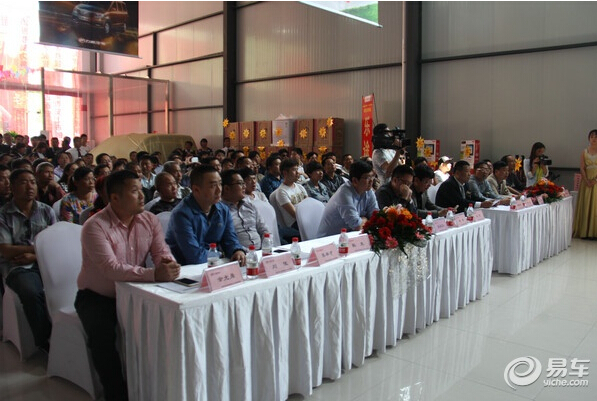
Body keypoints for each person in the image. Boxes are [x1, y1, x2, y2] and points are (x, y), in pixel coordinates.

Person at [76, 170, 180, 401]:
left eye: (141, 190)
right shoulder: (95, 226)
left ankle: (157, 388)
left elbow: (161, 252)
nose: (142, 196)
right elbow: (111, 268)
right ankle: (117, 395)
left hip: (138, 291)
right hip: (99, 296)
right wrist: (154, 274)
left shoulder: (149, 220)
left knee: (166, 325)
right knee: (102, 339)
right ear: (114, 198)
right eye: (135, 191)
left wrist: (168, 264)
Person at [0, 169, 56, 352]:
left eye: (32, 182)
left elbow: (55, 244)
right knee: (32, 292)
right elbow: (6, 250)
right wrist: (40, 249)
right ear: (12, 186)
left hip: (45, 261)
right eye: (24, 182)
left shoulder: (46, 211)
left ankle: (68, 331)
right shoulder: (3, 215)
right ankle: (45, 341)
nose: (30, 186)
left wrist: (35, 254)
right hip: (17, 266)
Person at [166, 165, 246, 266]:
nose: (219, 190)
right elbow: (194, 256)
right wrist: (220, 255)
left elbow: (230, 239)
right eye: (213, 186)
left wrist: (237, 250)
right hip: (186, 269)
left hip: (214, 264)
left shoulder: (223, 210)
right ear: (196, 190)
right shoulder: (181, 214)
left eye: (220, 184)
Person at [317, 160, 379, 237]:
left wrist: (363, 220)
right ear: (355, 181)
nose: (371, 181)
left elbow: (376, 216)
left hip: (350, 236)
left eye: (372, 176)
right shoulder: (344, 194)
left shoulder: (368, 191)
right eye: (367, 177)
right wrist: (366, 219)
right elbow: (357, 226)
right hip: (329, 239)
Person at [221, 170, 268, 249]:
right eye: (240, 183)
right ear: (226, 188)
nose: (244, 187)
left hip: (262, 251)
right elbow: (225, 242)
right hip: (239, 253)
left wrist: (266, 247)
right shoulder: (220, 212)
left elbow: (264, 230)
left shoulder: (250, 205)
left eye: (244, 183)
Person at [270, 159, 308, 232]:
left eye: (297, 169)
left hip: (306, 219)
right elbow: (295, 214)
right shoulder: (281, 192)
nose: (297, 173)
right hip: (295, 225)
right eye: (294, 170)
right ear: (285, 173)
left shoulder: (300, 187)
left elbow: (308, 204)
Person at [573, 129, 597, 238]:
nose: (594, 139)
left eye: (596, 137)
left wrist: (595, 180)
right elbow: (582, 167)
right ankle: (585, 232)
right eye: (592, 137)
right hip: (586, 181)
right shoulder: (584, 152)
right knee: (586, 204)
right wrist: (586, 180)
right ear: (589, 138)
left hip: (596, 181)